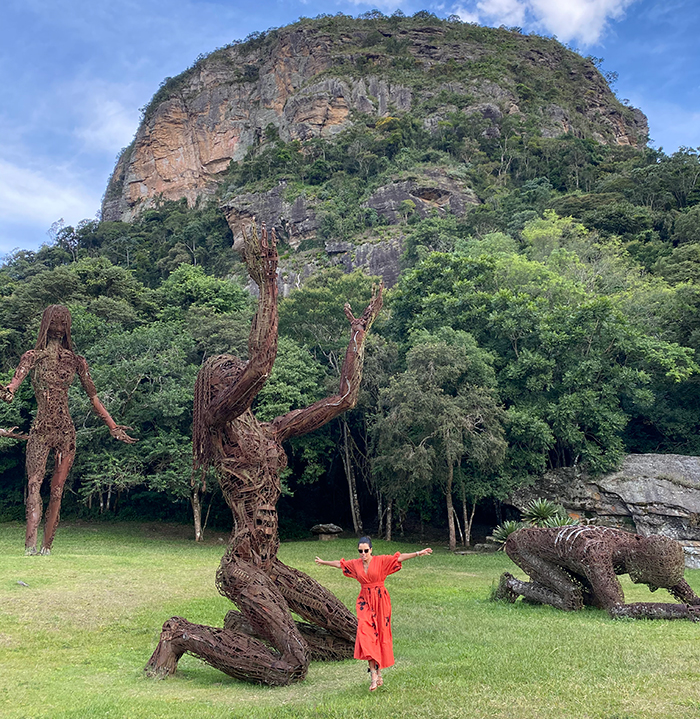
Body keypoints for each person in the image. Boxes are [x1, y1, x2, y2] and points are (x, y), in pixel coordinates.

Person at [145, 225, 384, 686]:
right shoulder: (218, 424)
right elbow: (261, 362)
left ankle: (247, 628)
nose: (238, 377)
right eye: (226, 374)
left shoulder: (269, 431)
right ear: (214, 390)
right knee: (293, 665)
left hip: (271, 563)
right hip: (243, 565)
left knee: (355, 636)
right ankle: (181, 635)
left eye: (236, 372)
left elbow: (342, 401)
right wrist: (268, 284)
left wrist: (357, 337)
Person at [0, 305, 135, 554]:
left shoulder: (76, 361)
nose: (59, 328)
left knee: (57, 490)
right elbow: (15, 383)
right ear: (46, 323)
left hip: (65, 432)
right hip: (40, 430)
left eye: (63, 323)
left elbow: (93, 397)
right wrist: (8, 391)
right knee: (34, 484)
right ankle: (30, 545)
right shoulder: (32, 357)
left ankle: (46, 547)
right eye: (55, 322)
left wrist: (112, 425)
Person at [496, 525, 700, 619]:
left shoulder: (639, 546)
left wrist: (693, 599)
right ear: (641, 565)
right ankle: (512, 584)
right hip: (522, 547)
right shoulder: (598, 552)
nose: (652, 588)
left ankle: (537, 592)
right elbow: (618, 610)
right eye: (651, 582)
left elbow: (664, 570)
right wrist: (685, 612)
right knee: (572, 598)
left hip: (567, 558)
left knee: (595, 601)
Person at [315, 536, 433, 690]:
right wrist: (324, 562)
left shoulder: (380, 561)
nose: (363, 553)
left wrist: (418, 553)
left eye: (365, 550)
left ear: (371, 550)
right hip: (365, 602)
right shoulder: (356, 564)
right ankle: (373, 676)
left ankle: (379, 671)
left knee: (380, 635)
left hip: (381, 601)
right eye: (360, 551)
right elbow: (341, 564)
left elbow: (398, 558)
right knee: (366, 635)